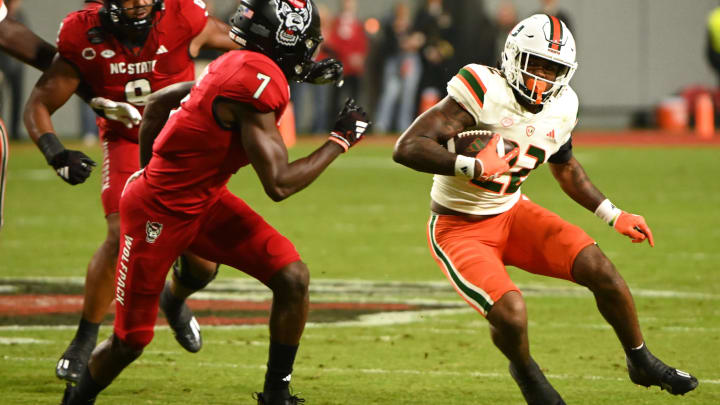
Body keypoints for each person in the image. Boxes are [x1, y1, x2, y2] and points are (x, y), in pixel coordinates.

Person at [60, 0, 360, 404]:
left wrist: (148, 170)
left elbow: (160, 104)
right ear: (286, 38)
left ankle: (276, 393)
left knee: (292, 278)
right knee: (129, 343)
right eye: (305, 40)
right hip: (159, 214)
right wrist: (339, 139)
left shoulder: (235, 62)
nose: (309, 47)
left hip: (204, 201)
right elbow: (280, 184)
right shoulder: (253, 82)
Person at [393, 14, 698, 404]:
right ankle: (527, 374)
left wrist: (614, 214)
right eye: (535, 64)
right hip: (459, 227)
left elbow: (566, 167)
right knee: (511, 311)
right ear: (512, 58)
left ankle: (640, 361)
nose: (542, 77)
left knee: (601, 270)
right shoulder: (483, 88)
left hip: (512, 213)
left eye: (552, 69)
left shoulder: (563, 104)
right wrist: (470, 165)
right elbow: (408, 146)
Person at [23, 0, 240, 384]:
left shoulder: (183, 16)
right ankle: (85, 339)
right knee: (118, 233)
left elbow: (242, 44)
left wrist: (295, 61)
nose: (139, 2)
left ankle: (173, 299)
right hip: (126, 141)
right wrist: (56, 152)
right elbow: (39, 104)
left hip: (181, 143)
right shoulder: (83, 33)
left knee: (203, 263)